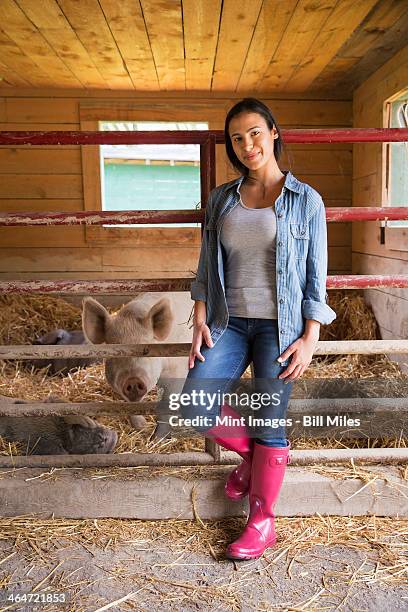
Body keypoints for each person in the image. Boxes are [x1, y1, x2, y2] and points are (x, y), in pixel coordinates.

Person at [181, 98, 336, 560]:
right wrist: (200, 317)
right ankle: (253, 459)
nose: (247, 144)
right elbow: (208, 265)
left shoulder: (306, 200)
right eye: (236, 138)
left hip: (281, 329)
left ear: (272, 132)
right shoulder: (222, 199)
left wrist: (311, 336)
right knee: (192, 406)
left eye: (254, 132)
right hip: (230, 322)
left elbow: (315, 276)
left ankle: (262, 521)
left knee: (271, 422)